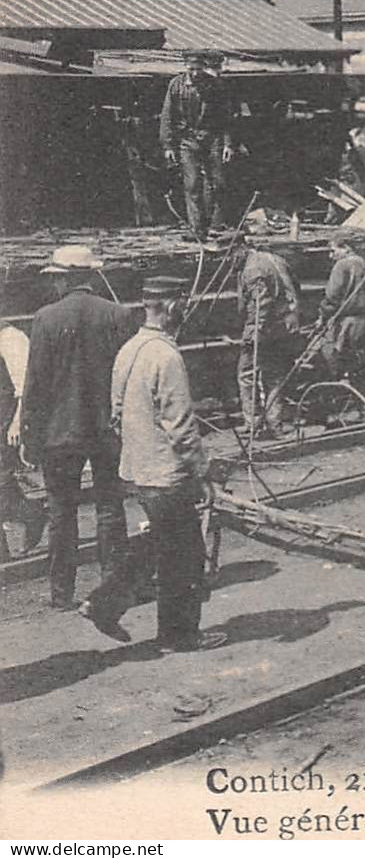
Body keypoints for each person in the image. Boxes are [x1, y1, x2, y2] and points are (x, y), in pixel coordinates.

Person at [75, 277, 223, 650]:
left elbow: (117, 411)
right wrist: (202, 472)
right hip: (166, 473)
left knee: (160, 542)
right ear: (172, 307)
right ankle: (178, 636)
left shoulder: (129, 349)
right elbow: (181, 426)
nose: (184, 312)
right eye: (183, 305)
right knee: (185, 557)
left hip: (137, 469)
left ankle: (102, 604)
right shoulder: (167, 356)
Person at [21, 245, 137, 610]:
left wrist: (29, 434)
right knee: (109, 507)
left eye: (56, 278)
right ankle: (113, 587)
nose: (54, 284)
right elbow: (125, 377)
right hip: (106, 429)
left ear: (65, 278)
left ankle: (61, 595)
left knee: (61, 511)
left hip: (60, 432)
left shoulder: (46, 318)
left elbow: (35, 383)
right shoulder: (118, 315)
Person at [159, 50, 236, 241]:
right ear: (185, 66)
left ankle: (214, 224)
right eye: (191, 69)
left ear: (204, 67)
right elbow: (167, 116)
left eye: (198, 69)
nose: (194, 73)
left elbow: (225, 117)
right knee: (192, 184)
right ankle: (197, 229)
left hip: (212, 137)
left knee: (217, 182)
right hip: (188, 140)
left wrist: (228, 143)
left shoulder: (215, 85)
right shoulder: (176, 85)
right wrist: (168, 146)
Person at [236, 239, 301, 437]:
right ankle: (276, 423)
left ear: (241, 249)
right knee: (274, 375)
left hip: (265, 330)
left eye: (228, 255)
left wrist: (251, 335)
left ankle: (254, 423)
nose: (227, 260)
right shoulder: (274, 259)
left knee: (247, 375)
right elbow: (295, 286)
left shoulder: (252, 270)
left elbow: (260, 306)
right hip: (283, 325)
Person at [318, 233, 365, 398]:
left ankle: (338, 396)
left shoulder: (342, 266)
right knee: (362, 362)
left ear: (346, 248)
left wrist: (322, 315)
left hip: (349, 325)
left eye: (333, 251)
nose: (331, 255)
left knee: (330, 355)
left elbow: (332, 297)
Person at [0, 328, 46, 560]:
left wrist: (17, 423)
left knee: (2, 480)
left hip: (5, 420)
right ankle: (33, 513)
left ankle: (33, 514)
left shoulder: (10, 337)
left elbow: (24, 387)